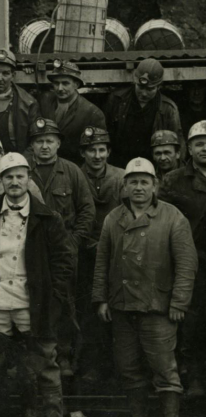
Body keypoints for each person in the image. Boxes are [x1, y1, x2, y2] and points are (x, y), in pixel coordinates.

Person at [0, 152, 73, 417]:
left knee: (44, 363)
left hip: (31, 304)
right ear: (0, 181)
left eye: (19, 176)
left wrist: (54, 298)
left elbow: (63, 262)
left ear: (28, 179)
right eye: (8, 177)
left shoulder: (48, 218)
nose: (14, 182)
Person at [94, 157, 196, 417]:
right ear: (124, 186)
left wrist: (178, 303)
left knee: (164, 366)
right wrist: (101, 299)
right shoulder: (113, 218)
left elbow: (187, 264)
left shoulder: (172, 216)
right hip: (122, 305)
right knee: (128, 366)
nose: (138, 187)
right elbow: (102, 262)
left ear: (155, 186)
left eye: (144, 182)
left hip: (158, 307)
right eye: (133, 182)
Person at [27, 117, 95, 376]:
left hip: (63, 253)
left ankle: (64, 356)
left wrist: (74, 242)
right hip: (31, 251)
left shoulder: (71, 171)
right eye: (39, 141)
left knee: (65, 305)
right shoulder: (24, 171)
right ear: (32, 146)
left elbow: (87, 211)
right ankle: (38, 357)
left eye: (49, 141)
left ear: (58, 144)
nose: (44, 146)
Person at [159, 121, 206, 400]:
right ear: (188, 148)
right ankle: (195, 378)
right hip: (190, 264)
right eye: (199, 143)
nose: (205, 148)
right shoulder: (174, 180)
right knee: (192, 323)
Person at [76, 127, 125, 385]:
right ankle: (90, 367)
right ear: (83, 153)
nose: (97, 155)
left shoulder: (122, 177)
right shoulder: (73, 175)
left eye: (101, 150)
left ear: (108, 151)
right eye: (91, 150)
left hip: (117, 254)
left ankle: (119, 368)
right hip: (84, 254)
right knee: (87, 310)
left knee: (118, 309)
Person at [105, 57, 184, 167]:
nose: (144, 93)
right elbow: (106, 134)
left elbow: (178, 144)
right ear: (135, 81)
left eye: (150, 89)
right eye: (140, 87)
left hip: (154, 166)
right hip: (119, 164)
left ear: (159, 87)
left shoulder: (168, 109)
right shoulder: (116, 100)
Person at [39, 60, 105, 165]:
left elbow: (95, 151)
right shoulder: (44, 101)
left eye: (65, 83)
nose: (60, 88)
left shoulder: (92, 113)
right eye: (56, 83)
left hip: (75, 169)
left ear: (76, 84)